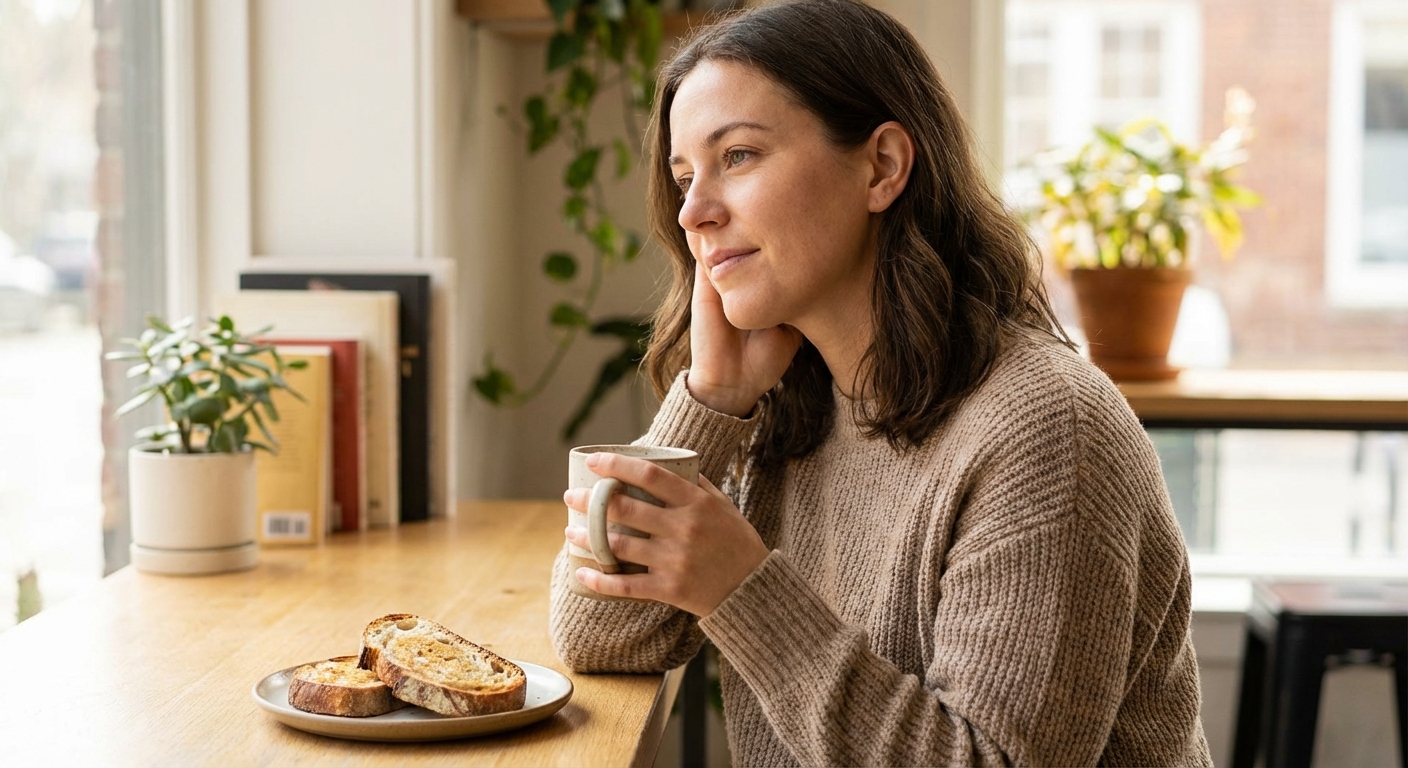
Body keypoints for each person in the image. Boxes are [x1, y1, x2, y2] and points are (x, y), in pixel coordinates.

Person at [551, 1, 1212, 765]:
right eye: (684, 175)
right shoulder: (791, 408)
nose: (694, 211)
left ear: (882, 166)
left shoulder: (1046, 429)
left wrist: (742, 589)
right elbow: (598, 639)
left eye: (737, 156)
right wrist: (710, 400)